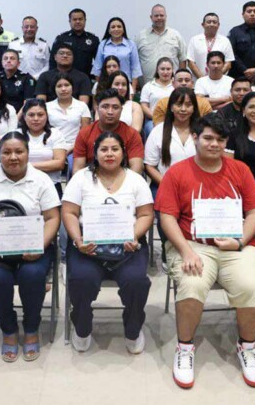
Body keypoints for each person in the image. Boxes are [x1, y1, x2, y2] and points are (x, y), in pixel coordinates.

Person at [157, 113, 255, 388]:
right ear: (195, 138)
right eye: (208, 138)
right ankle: (184, 348)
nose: (214, 144)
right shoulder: (177, 172)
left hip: (236, 245)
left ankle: (247, 347)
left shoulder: (240, 170)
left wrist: (240, 241)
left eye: (220, 139)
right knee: (192, 284)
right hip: (192, 245)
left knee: (251, 286)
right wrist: (185, 251)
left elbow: (254, 211)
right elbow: (167, 217)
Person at [0, 131, 61, 362]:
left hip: (34, 248)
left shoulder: (41, 179)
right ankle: (8, 327)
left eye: (19, 151)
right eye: (7, 152)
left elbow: (52, 218)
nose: (13, 157)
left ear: (28, 153)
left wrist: (39, 245)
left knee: (33, 274)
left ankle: (30, 327)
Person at [62, 132, 154, 353]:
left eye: (115, 149)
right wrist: (77, 239)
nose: (109, 154)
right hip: (88, 247)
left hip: (128, 246)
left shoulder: (135, 179)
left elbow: (146, 215)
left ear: (123, 153)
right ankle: (82, 327)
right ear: (95, 153)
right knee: (82, 279)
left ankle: (133, 329)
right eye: (104, 149)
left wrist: (133, 236)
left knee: (136, 282)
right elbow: (69, 212)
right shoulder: (81, 178)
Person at [73, 89, 144, 174]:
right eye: (105, 107)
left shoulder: (132, 134)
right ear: (97, 109)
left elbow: (137, 167)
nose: (110, 112)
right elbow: (78, 169)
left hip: (124, 181)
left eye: (115, 107)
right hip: (91, 180)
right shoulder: (84, 133)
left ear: (121, 110)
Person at [144, 88, 199, 197]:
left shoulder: (202, 131)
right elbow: (149, 166)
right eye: (178, 104)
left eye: (188, 105)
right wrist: (168, 185)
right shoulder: (158, 131)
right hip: (164, 185)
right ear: (171, 107)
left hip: (197, 188)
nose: (183, 109)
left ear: (194, 108)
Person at [19, 99, 69, 189]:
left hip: (50, 185)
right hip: (21, 185)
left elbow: (59, 163)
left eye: (40, 115)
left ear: (46, 116)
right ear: (24, 116)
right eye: (31, 115)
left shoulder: (55, 134)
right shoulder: (17, 135)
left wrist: (27, 166)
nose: (36, 119)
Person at [134, 4, 187, 84]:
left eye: (161, 15)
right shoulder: (140, 37)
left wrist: (180, 80)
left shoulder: (176, 35)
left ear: (166, 16)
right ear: (151, 17)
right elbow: (134, 62)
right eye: (156, 15)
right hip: (148, 85)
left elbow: (182, 59)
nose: (159, 18)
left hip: (172, 86)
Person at [92, 17, 142, 93]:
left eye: (119, 27)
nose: (116, 29)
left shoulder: (131, 44)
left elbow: (135, 67)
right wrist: (100, 87)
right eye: (113, 27)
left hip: (125, 84)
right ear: (109, 30)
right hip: (107, 84)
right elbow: (97, 67)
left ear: (123, 29)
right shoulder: (103, 44)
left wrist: (133, 88)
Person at [46, 74, 91, 153]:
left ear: (72, 87)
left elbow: (85, 134)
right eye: (59, 86)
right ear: (54, 89)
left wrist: (70, 149)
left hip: (76, 148)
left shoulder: (82, 106)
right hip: (52, 147)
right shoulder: (47, 107)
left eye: (67, 85)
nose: (63, 89)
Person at [228, 1, 255, 79]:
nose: (252, 14)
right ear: (243, 14)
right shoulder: (234, 32)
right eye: (249, 11)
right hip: (238, 75)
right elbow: (231, 54)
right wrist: (245, 70)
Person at [49, 8, 100, 77]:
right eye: (74, 19)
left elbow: (98, 63)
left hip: (86, 78)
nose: (78, 22)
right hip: (64, 78)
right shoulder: (61, 38)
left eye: (80, 19)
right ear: (70, 21)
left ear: (85, 20)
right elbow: (53, 61)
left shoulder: (93, 39)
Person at [187, 12, 234, 78]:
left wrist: (217, 77)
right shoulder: (194, 40)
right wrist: (202, 80)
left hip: (220, 81)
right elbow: (191, 63)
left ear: (218, 25)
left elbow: (228, 63)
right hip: (198, 81)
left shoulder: (225, 41)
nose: (211, 24)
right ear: (203, 24)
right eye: (209, 22)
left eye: (214, 22)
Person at [139, 57, 176, 134]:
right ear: (157, 70)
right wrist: (156, 117)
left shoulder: (176, 86)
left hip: (175, 119)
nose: (165, 72)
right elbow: (144, 106)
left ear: (172, 70)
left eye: (168, 69)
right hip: (152, 120)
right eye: (162, 69)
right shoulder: (148, 86)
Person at [8, 16, 50, 80]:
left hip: (39, 80)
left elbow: (48, 64)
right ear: (22, 28)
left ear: (37, 28)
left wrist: (36, 77)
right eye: (26, 27)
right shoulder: (13, 45)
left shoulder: (44, 45)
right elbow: (9, 63)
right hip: (18, 80)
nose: (29, 29)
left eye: (32, 27)